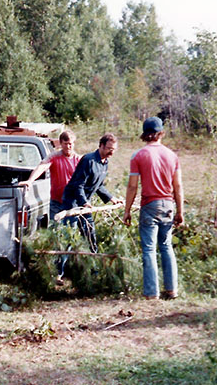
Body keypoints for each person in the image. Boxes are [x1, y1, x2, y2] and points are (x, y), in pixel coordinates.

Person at [123, 117, 184, 300]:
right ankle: (172, 289)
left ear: (144, 135)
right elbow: (178, 186)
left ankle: (151, 293)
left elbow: (133, 186)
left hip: (149, 205)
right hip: (168, 205)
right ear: (161, 134)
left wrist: (127, 210)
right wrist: (180, 211)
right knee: (166, 246)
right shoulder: (172, 155)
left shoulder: (138, 155)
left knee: (149, 249)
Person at [61, 133, 123, 251]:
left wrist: (111, 198)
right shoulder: (88, 160)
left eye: (114, 149)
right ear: (101, 146)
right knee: (70, 235)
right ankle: (60, 267)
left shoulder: (105, 163)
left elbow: (99, 186)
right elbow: (78, 184)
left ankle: (94, 265)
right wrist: (83, 202)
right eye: (109, 149)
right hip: (73, 201)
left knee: (89, 232)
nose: (112, 152)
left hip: (85, 202)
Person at [19, 130, 81, 220]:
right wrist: (30, 180)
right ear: (60, 143)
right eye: (65, 144)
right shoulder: (54, 156)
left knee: (71, 230)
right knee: (54, 229)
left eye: (70, 144)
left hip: (72, 201)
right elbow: (42, 167)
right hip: (56, 201)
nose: (68, 147)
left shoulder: (78, 160)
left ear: (74, 144)